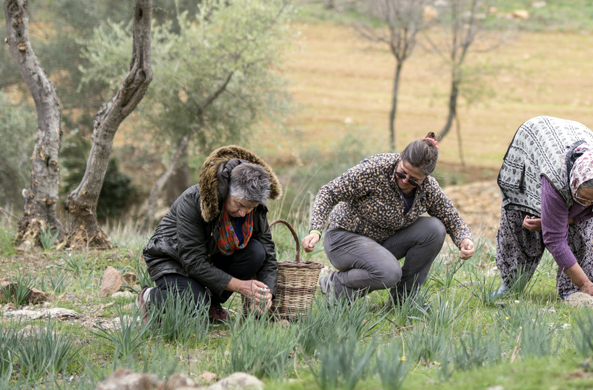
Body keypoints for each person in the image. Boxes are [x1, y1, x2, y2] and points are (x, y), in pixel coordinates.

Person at [301, 132, 476, 303]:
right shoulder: (374, 170)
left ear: (425, 178)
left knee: (435, 229)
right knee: (389, 273)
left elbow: (450, 217)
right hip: (344, 238)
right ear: (400, 158)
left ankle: (403, 301)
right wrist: (315, 229)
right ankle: (335, 283)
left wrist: (464, 239)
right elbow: (328, 192)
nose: (405, 181)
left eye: (414, 180)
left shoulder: (429, 189)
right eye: (402, 173)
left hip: (381, 244)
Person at [139, 145, 281, 322]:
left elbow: (268, 253)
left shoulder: (254, 208)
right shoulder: (193, 200)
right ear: (227, 189)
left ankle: (212, 303)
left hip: (210, 258)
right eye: (239, 205)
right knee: (195, 303)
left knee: (256, 251)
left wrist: (266, 293)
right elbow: (192, 260)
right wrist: (241, 286)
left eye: (250, 208)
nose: (244, 213)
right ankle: (149, 297)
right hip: (172, 259)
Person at [495, 116, 593, 300]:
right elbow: (554, 239)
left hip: (574, 135)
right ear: (573, 184)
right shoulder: (556, 180)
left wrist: (557, 221)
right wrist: (550, 223)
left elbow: (589, 213)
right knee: (521, 223)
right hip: (534, 143)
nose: (587, 204)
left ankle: (574, 292)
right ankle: (512, 285)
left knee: (585, 231)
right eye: (582, 198)